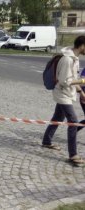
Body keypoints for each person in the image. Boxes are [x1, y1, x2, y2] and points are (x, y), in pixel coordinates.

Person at [42, 35, 85, 166]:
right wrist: (83, 81)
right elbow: (65, 81)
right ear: (82, 46)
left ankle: (46, 141)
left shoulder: (74, 58)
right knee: (73, 122)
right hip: (62, 94)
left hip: (66, 93)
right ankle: (73, 155)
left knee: (57, 118)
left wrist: (81, 91)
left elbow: (71, 78)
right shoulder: (67, 60)